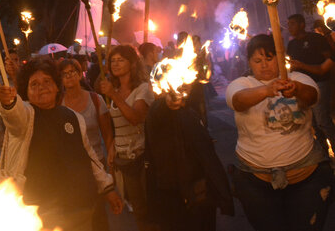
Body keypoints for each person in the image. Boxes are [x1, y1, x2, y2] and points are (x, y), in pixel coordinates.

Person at [0, 58, 123, 231]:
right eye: (34, 84)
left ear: (57, 86)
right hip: (42, 213)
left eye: (47, 81)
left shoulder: (73, 117)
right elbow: (13, 115)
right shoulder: (26, 116)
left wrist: (107, 188)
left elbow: (89, 156)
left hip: (81, 208)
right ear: (26, 91)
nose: (41, 87)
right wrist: (8, 102)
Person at [226, 34, 333, 231]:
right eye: (257, 60)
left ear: (280, 57)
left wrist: (297, 89)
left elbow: (313, 96)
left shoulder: (297, 78)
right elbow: (238, 101)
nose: (264, 65)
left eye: (269, 58)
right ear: (249, 61)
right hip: (257, 179)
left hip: (305, 175)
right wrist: (267, 90)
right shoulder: (242, 84)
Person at [145, 94, 234, 231]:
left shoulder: (191, 109)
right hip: (175, 195)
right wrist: (168, 102)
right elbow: (160, 110)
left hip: (201, 191)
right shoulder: (159, 110)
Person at [99, 45, 156, 231]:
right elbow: (117, 125)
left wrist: (114, 95)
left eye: (120, 60)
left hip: (142, 156)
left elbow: (135, 118)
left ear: (132, 64)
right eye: (112, 60)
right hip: (123, 158)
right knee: (137, 208)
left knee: (149, 208)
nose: (115, 64)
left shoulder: (143, 89)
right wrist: (112, 145)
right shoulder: (113, 89)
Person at [59, 58, 115, 231]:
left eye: (72, 72)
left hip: (96, 163)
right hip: (71, 168)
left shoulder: (96, 100)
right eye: (64, 74)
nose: (69, 76)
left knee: (98, 212)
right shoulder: (57, 104)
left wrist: (110, 166)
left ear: (80, 74)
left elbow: (107, 135)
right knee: (78, 214)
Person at [287, 14, 335, 149]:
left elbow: (327, 62)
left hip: (320, 83)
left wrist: (302, 65)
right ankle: (323, 155)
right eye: (289, 24)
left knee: (322, 121)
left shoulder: (316, 39)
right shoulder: (292, 44)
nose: (289, 27)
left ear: (302, 24)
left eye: (293, 23)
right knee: (312, 123)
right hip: (303, 87)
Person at [0, 49, 20, 145]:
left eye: (15, 60)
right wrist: (0, 132)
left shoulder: (25, 79)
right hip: (9, 130)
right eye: (9, 61)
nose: (12, 64)